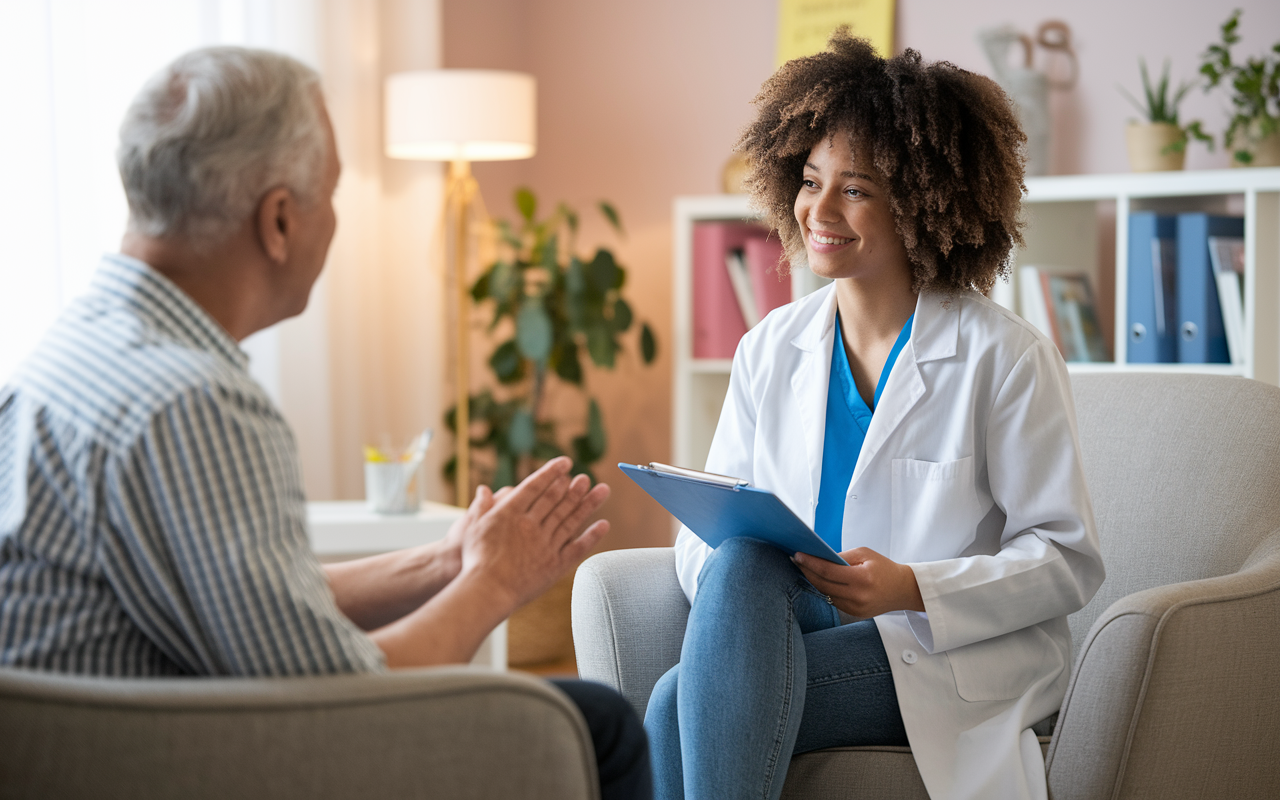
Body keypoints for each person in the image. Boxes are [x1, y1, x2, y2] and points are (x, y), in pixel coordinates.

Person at [0, 46, 649, 800]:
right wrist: (496, 581)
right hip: (154, 759)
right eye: (331, 194)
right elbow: (338, 695)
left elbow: (260, 601)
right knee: (595, 723)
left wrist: (443, 562)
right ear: (279, 219)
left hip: (95, 734)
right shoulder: (192, 401)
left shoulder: (82, 342)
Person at [645, 31, 1104, 800]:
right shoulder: (771, 348)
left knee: (668, 707)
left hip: (941, 648)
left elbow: (1067, 559)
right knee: (740, 558)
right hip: (796, 620)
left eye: (855, 189)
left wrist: (913, 588)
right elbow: (703, 544)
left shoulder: (1004, 357)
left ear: (922, 202)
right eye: (811, 180)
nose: (819, 210)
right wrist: (760, 560)